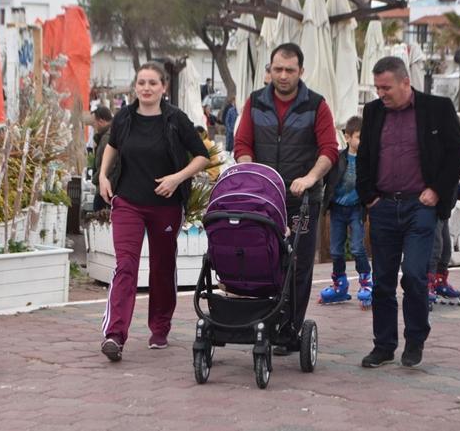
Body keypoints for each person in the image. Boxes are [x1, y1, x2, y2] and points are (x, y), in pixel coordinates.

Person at [357, 56, 460, 368]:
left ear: (406, 82)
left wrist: (437, 189)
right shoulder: (373, 111)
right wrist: (368, 197)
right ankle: (383, 345)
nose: (381, 93)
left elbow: (458, 152)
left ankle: (415, 340)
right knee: (382, 281)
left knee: (416, 277)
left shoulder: (437, 108)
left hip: (420, 206)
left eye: (386, 87)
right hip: (382, 206)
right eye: (377, 87)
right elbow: (364, 154)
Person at [98, 62, 209, 362]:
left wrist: (177, 178)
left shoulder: (176, 120)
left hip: (166, 207)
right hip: (128, 203)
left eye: (152, 83)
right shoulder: (125, 117)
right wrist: (102, 176)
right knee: (126, 265)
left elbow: (202, 156)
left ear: (163, 87)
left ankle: (159, 327)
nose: (146, 88)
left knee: (162, 267)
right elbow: (113, 144)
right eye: (141, 83)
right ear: (135, 87)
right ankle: (114, 335)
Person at [234, 42, 339, 355]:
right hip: (264, 200)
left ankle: (290, 328)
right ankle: (265, 319)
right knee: (264, 259)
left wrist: (309, 178)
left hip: (301, 202)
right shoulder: (255, 102)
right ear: (270, 69)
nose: (282, 75)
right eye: (277, 69)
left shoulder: (316, 105)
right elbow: (242, 144)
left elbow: (329, 150)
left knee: (298, 262)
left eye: (289, 70)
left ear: (301, 72)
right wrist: (252, 173)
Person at [318, 115, 372, 308]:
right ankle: (339, 284)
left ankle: (366, 282)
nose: (362, 142)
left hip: (356, 210)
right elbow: (325, 180)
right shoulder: (338, 159)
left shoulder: (368, 161)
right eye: (358, 137)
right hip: (338, 210)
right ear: (347, 137)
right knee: (335, 250)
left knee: (358, 248)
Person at [428, 183, 460, 306]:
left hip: (444, 212)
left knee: (446, 251)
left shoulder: (452, 167)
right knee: (435, 249)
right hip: (432, 210)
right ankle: (428, 284)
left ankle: (439, 282)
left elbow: (456, 184)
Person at [90, 106, 113, 212]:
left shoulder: (107, 138)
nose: (94, 125)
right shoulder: (106, 136)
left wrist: (95, 178)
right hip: (106, 186)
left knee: (99, 218)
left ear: (101, 121)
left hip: (105, 188)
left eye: (94, 122)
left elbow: (109, 163)